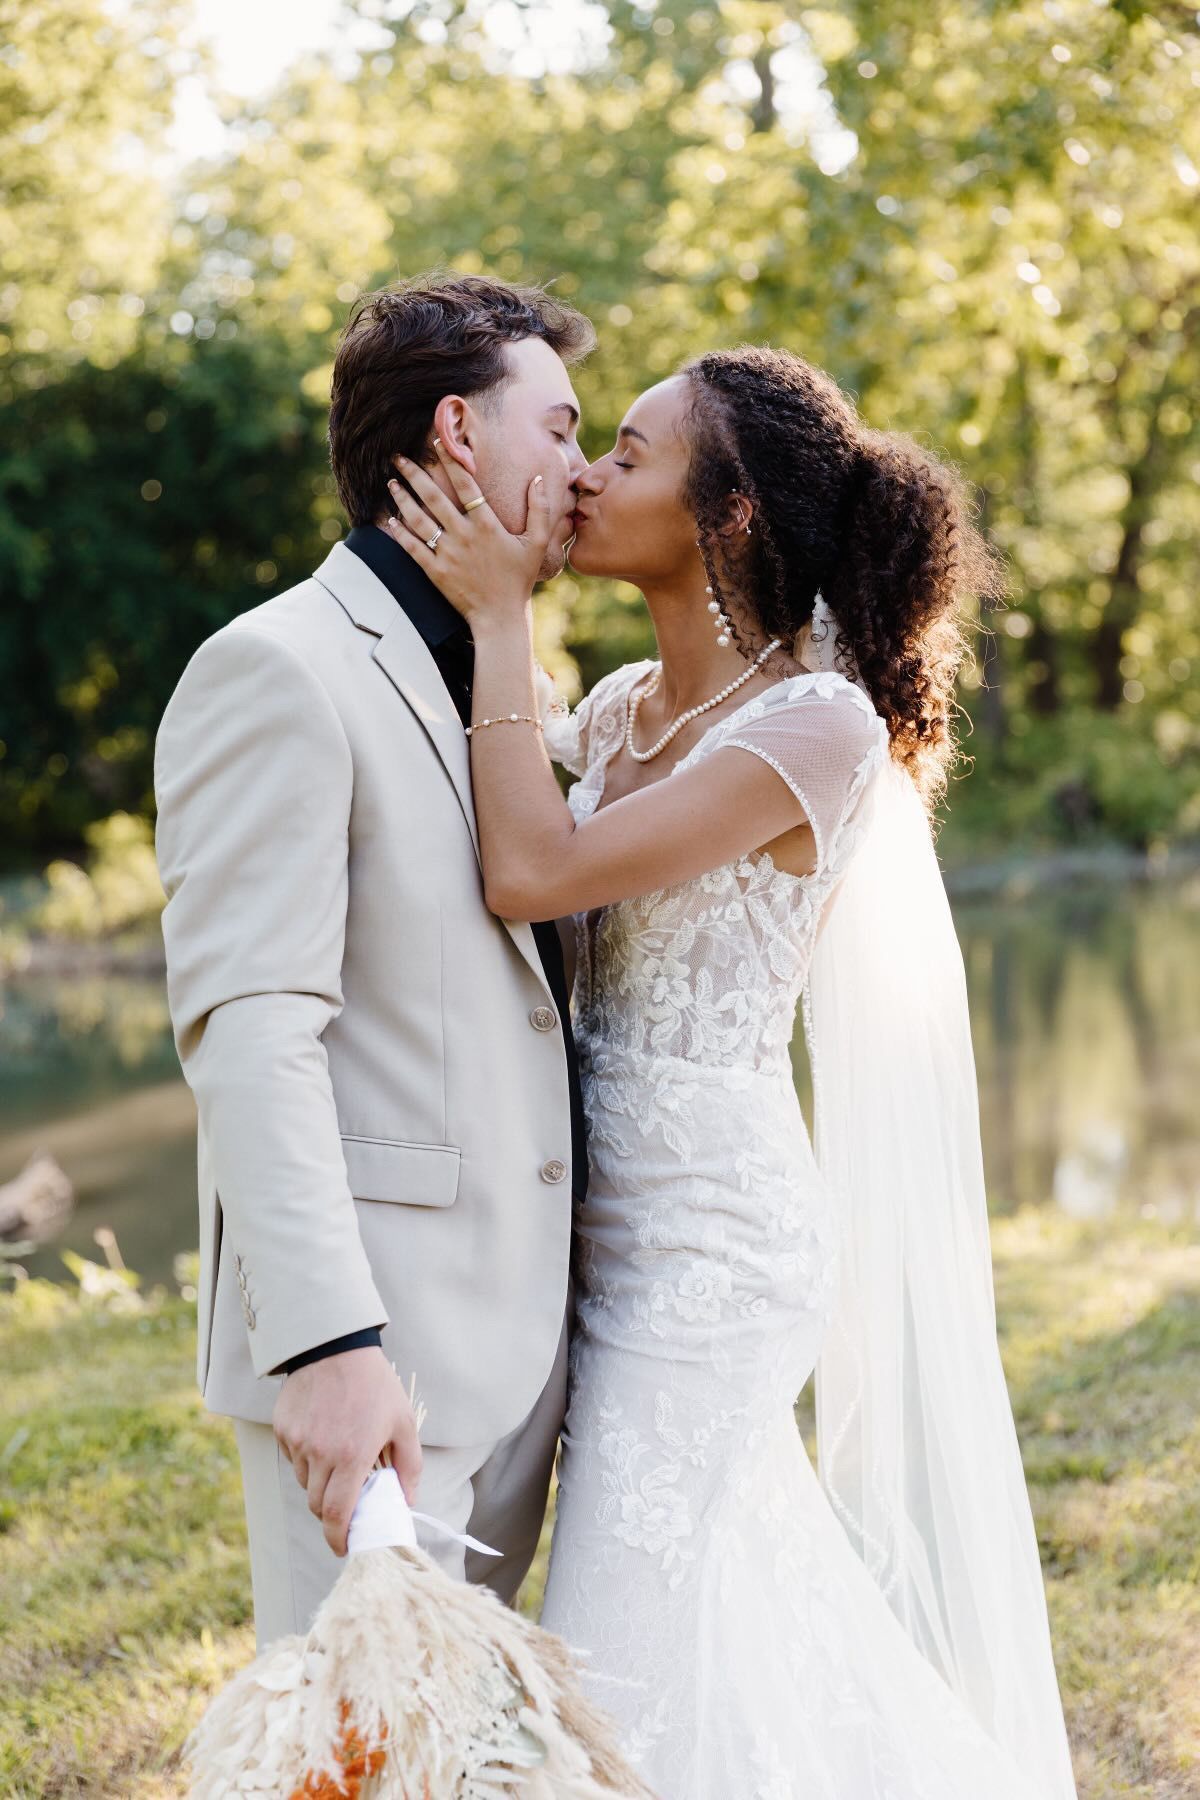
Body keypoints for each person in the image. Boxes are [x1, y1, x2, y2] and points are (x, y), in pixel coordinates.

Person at [382, 343, 1080, 1799]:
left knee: (608, 1662)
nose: (582, 476)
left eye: (625, 455)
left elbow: (531, 867)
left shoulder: (814, 728)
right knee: (730, 1612)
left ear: (734, 514)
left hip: (712, 1255)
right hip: (582, 1236)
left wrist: (501, 615)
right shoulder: (627, 705)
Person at [153, 274, 595, 1648]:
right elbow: (252, 1036)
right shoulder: (277, 670)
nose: (581, 474)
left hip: (518, 1361)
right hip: (375, 1376)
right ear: (461, 435)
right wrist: (331, 1351)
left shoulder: (514, 679)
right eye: (563, 429)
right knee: (356, 1761)